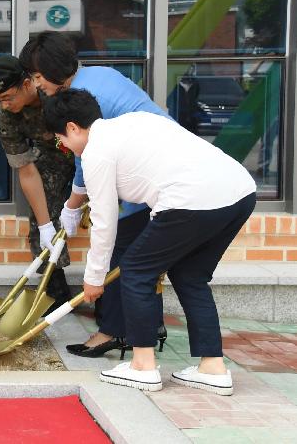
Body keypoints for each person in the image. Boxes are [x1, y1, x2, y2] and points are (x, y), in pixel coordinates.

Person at [43, 89, 256, 394]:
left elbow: (104, 221)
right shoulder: (136, 121)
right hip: (240, 192)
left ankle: (142, 365)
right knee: (190, 275)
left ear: (73, 127)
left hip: (190, 199)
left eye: (60, 138)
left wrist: (93, 278)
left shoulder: (96, 152)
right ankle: (212, 367)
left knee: (135, 271)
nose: (63, 145)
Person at [20, 31, 169, 357]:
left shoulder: (86, 94)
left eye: (38, 76)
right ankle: (149, 324)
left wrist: (71, 207)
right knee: (140, 256)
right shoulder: (96, 76)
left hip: (153, 172)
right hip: (151, 169)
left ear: (54, 70)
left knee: (121, 252)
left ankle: (113, 332)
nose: (37, 84)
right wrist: (72, 207)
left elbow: (89, 156)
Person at [0, 55, 75, 307]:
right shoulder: (5, 116)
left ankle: (108, 301)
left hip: (87, 151)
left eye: (8, 97)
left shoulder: (54, 92)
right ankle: (56, 292)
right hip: (51, 156)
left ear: (26, 84)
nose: (4, 105)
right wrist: (45, 225)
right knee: (40, 217)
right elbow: (25, 168)